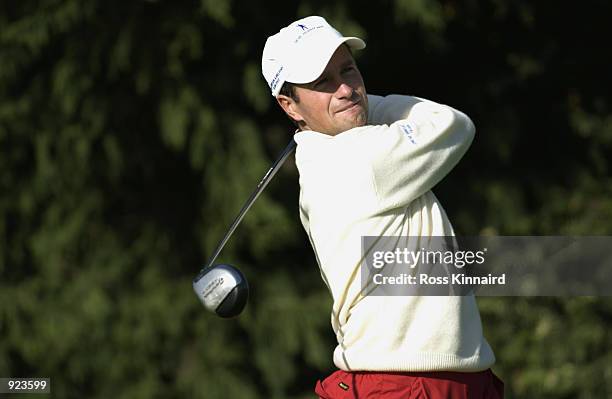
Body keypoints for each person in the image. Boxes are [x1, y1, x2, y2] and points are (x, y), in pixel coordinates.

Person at [261, 16, 504, 398]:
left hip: (438, 378)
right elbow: (453, 123)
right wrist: (364, 104)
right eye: (323, 82)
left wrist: (342, 106)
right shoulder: (359, 160)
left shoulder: (335, 155)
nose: (345, 88)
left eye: (348, 70)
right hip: (403, 383)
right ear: (289, 105)